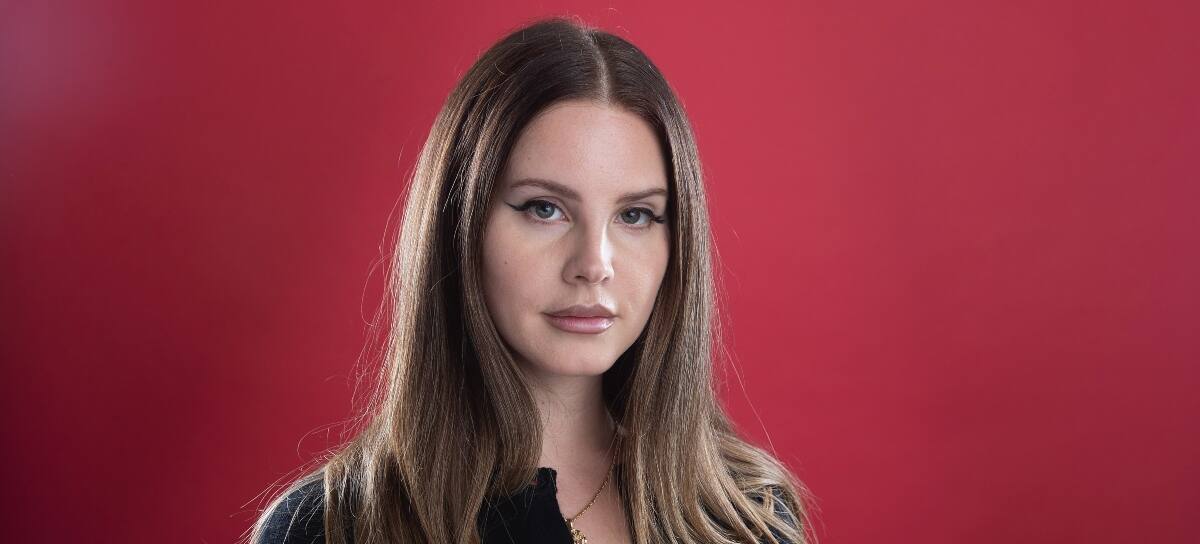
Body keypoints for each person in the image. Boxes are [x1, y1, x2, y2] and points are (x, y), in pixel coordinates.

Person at [249, 15, 813, 544]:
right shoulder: (330, 527)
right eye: (545, 209)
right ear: (460, 225)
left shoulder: (747, 516)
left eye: (636, 215)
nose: (594, 263)